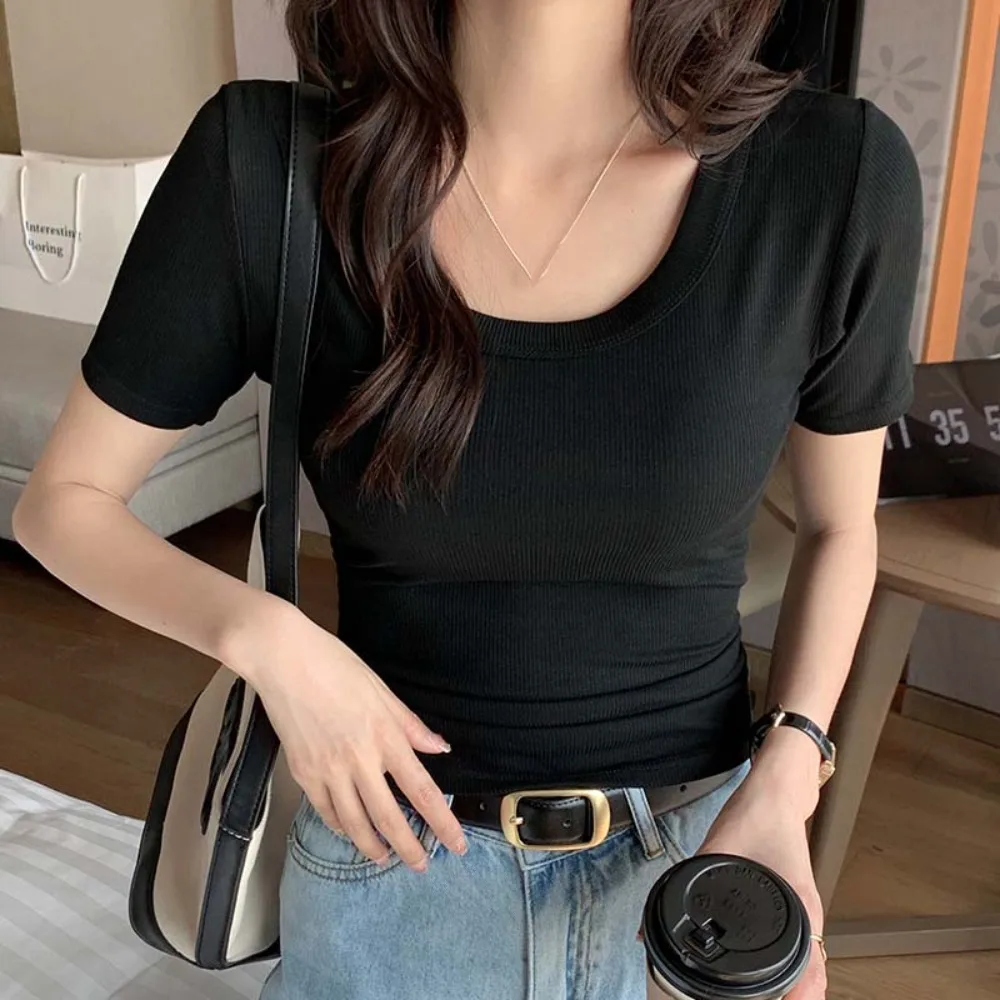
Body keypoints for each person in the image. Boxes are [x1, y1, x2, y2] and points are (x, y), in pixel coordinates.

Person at [13, 1, 922, 997]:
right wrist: (271, 641)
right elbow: (62, 503)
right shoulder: (270, 163)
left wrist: (788, 775)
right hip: (387, 880)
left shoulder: (832, 177)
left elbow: (843, 527)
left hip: (696, 890)